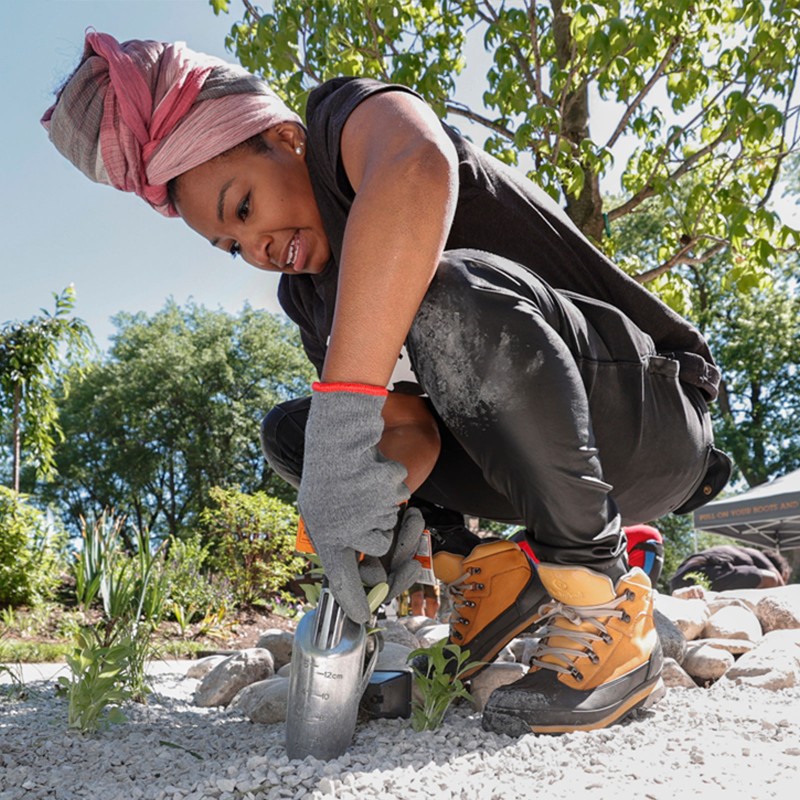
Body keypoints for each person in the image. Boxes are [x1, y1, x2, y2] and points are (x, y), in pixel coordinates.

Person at [42, 31, 732, 735]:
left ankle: (603, 603)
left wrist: (345, 422)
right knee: (299, 434)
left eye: (243, 209)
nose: (254, 250)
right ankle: (484, 577)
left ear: (284, 139)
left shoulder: (348, 124)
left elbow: (416, 163)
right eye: (230, 247)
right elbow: (404, 426)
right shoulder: (306, 293)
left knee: (434, 304)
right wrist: (360, 517)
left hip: (652, 420)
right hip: (531, 465)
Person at [670, 545, 790, 594]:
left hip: (678, 581)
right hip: (703, 572)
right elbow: (777, 582)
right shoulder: (757, 554)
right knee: (771, 579)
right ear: (783, 572)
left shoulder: (739, 556)